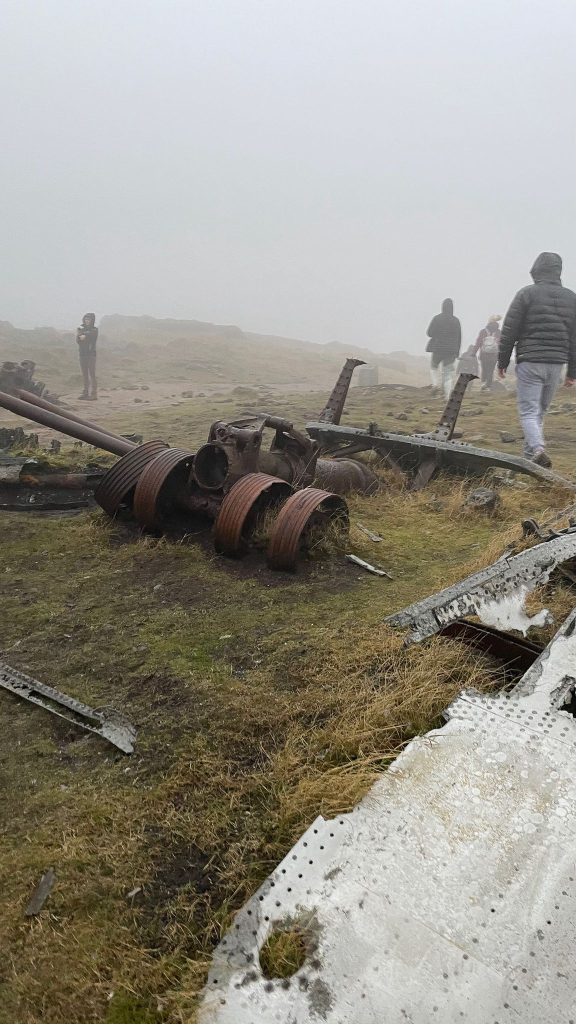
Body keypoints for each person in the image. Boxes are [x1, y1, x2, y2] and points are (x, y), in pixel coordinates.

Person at [498, 253, 576, 468]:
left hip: (530, 361)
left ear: (536, 269)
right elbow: (574, 337)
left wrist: (502, 361)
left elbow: (509, 330)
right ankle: (529, 461)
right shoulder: (571, 297)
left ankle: (538, 449)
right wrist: (572, 372)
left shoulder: (526, 294)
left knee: (529, 412)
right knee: (539, 412)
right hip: (556, 364)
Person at [426, 298, 462, 399]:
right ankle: (447, 397)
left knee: (434, 367)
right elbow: (459, 337)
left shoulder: (437, 319)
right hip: (451, 351)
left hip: (438, 348)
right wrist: (457, 352)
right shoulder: (456, 321)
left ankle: (435, 384)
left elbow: (429, 333)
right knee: (447, 373)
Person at [473, 314, 501, 390]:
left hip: (484, 355)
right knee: (490, 370)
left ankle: (483, 384)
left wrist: (474, 352)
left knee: (484, 369)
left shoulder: (483, 331)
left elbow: (478, 342)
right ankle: (488, 385)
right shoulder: (498, 332)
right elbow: (501, 344)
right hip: (494, 355)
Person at [76, 313, 98, 401]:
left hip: (91, 354)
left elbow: (92, 335)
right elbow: (78, 339)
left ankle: (94, 394)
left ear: (92, 320)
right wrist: (82, 336)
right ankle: (85, 393)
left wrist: (84, 335)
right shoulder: (80, 328)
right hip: (82, 354)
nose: (87, 321)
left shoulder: (95, 329)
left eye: (89, 319)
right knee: (84, 374)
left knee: (92, 374)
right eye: (86, 319)